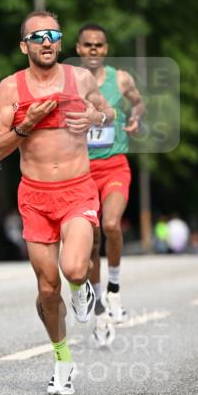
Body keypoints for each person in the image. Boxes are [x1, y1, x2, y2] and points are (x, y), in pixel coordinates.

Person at [0, 10, 115, 395]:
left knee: (75, 268)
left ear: (60, 43)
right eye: (38, 35)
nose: (46, 41)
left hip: (77, 188)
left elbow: (107, 113)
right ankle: (63, 360)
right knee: (47, 290)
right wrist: (27, 124)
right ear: (24, 45)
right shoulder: (11, 89)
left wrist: (93, 115)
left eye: (53, 35)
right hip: (35, 196)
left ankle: (82, 288)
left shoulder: (79, 78)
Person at [75, 23, 144, 345]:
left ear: (105, 49)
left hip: (115, 164)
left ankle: (114, 289)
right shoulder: (68, 81)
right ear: (78, 49)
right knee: (92, 241)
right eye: (87, 45)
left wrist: (136, 117)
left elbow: (137, 101)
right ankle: (99, 299)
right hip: (81, 171)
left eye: (98, 45)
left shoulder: (120, 79)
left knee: (112, 224)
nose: (93, 50)